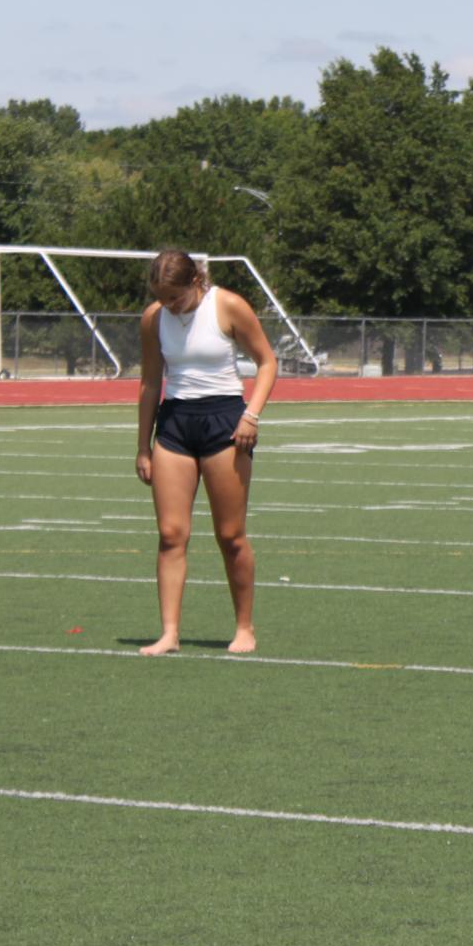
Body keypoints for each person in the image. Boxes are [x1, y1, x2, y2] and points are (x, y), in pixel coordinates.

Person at [134, 248, 278, 656]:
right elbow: (149, 383)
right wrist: (143, 446)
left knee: (230, 536)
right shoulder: (153, 318)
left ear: (196, 282)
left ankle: (245, 627)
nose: (168, 306)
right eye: (161, 297)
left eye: (175, 298)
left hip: (225, 422)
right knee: (170, 534)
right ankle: (169, 633)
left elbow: (267, 362)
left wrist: (251, 415)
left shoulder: (228, 305)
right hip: (175, 423)